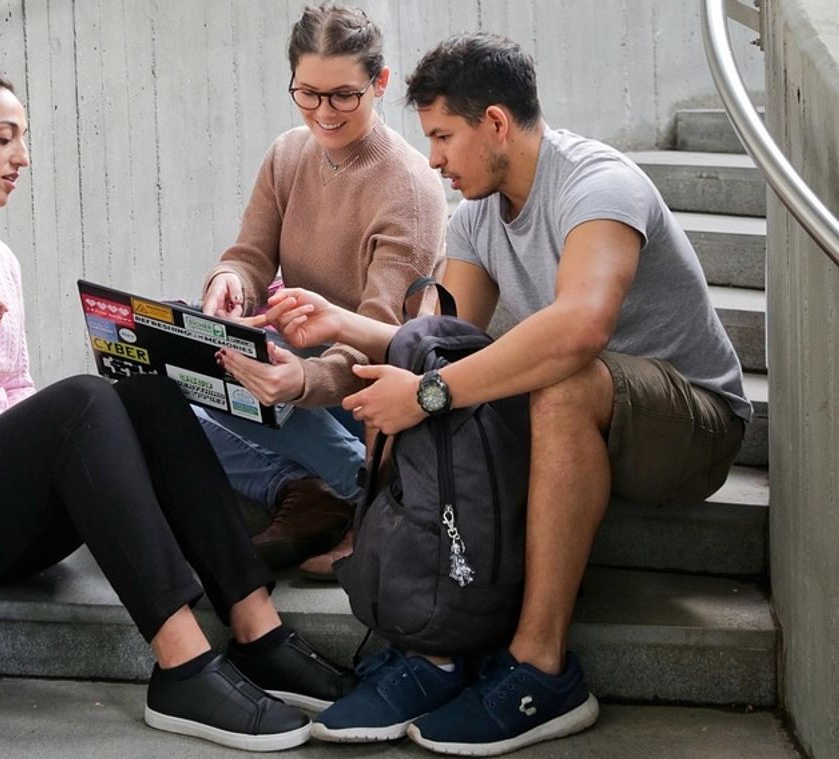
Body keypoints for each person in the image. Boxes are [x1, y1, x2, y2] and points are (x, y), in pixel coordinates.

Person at [0, 64, 356, 753]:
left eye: (24, 138)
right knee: (82, 399)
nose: (22, 156)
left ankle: (258, 632)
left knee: (147, 391)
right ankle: (184, 667)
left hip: (2, 508)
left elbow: (16, 394)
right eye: (4, 137)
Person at [258, 33, 751, 756]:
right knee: (431, 357)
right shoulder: (478, 218)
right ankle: (437, 643)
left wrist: (430, 393)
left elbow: (581, 328)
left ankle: (541, 670)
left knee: (553, 382)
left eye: (443, 137)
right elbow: (438, 342)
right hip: (578, 427)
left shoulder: (598, 184)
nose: (433, 160)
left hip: (689, 427)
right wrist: (343, 326)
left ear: (494, 122)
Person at [200, 3, 447, 574]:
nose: (324, 112)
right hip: (295, 365)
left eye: (343, 96)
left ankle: (368, 485)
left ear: (379, 83)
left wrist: (302, 381)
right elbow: (249, 256)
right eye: (307, 93)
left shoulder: (409, 188)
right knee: (154, 381)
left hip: (364, 390)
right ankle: (304, 489)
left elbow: (379, 335)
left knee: (225, 379)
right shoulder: (288, 154)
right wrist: (229, 283)